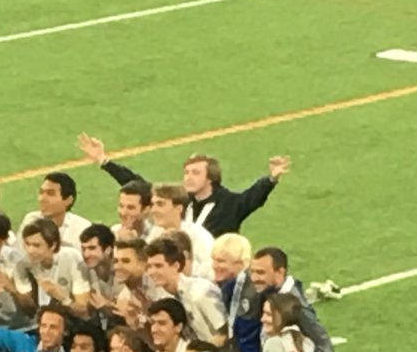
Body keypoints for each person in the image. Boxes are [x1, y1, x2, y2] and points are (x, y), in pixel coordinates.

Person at [79, 133, 292, 237]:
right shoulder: (180, 198)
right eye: (186, 172)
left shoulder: (230, 203)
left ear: (211, 177)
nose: (188, 177)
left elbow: (253, 197)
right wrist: (105, 161)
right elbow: (140, 185)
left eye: (195, 173)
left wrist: (271, 177)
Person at [144, 238, 252, 352]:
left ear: (176, 265)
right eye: (149, 266)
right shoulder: (171, 298)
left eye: (158, 266)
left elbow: (226, 334)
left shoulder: (199, 293)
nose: (152, 272)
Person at [5, 218, 91, 320]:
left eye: (36, 245)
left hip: (72, 322)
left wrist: (63, 298)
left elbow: (84, 312)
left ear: (53, 245)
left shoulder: (71, 258)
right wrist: (12, 290)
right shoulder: (22, 264)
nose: (30, 250)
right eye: (27, 244)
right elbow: (30, 310)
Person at [148, 183, 213, 277]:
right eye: (153, 205)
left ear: (179, 208)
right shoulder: (155, 233)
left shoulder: (198, 235)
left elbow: (211, 270)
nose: (153, 210)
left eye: (160, 204)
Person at [20, 172, 92, 255]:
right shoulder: (30, 220)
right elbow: (18, 256)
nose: (42, 199)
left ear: (68, 200)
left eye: (50, 194)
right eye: (41, 192)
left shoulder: (82, 228)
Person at [79, 223, 116, 326]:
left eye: (92, 248)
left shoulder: (121, 270)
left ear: (108, 249)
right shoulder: (84, 270)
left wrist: (105, 306)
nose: (86, 254)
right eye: (83, 249)